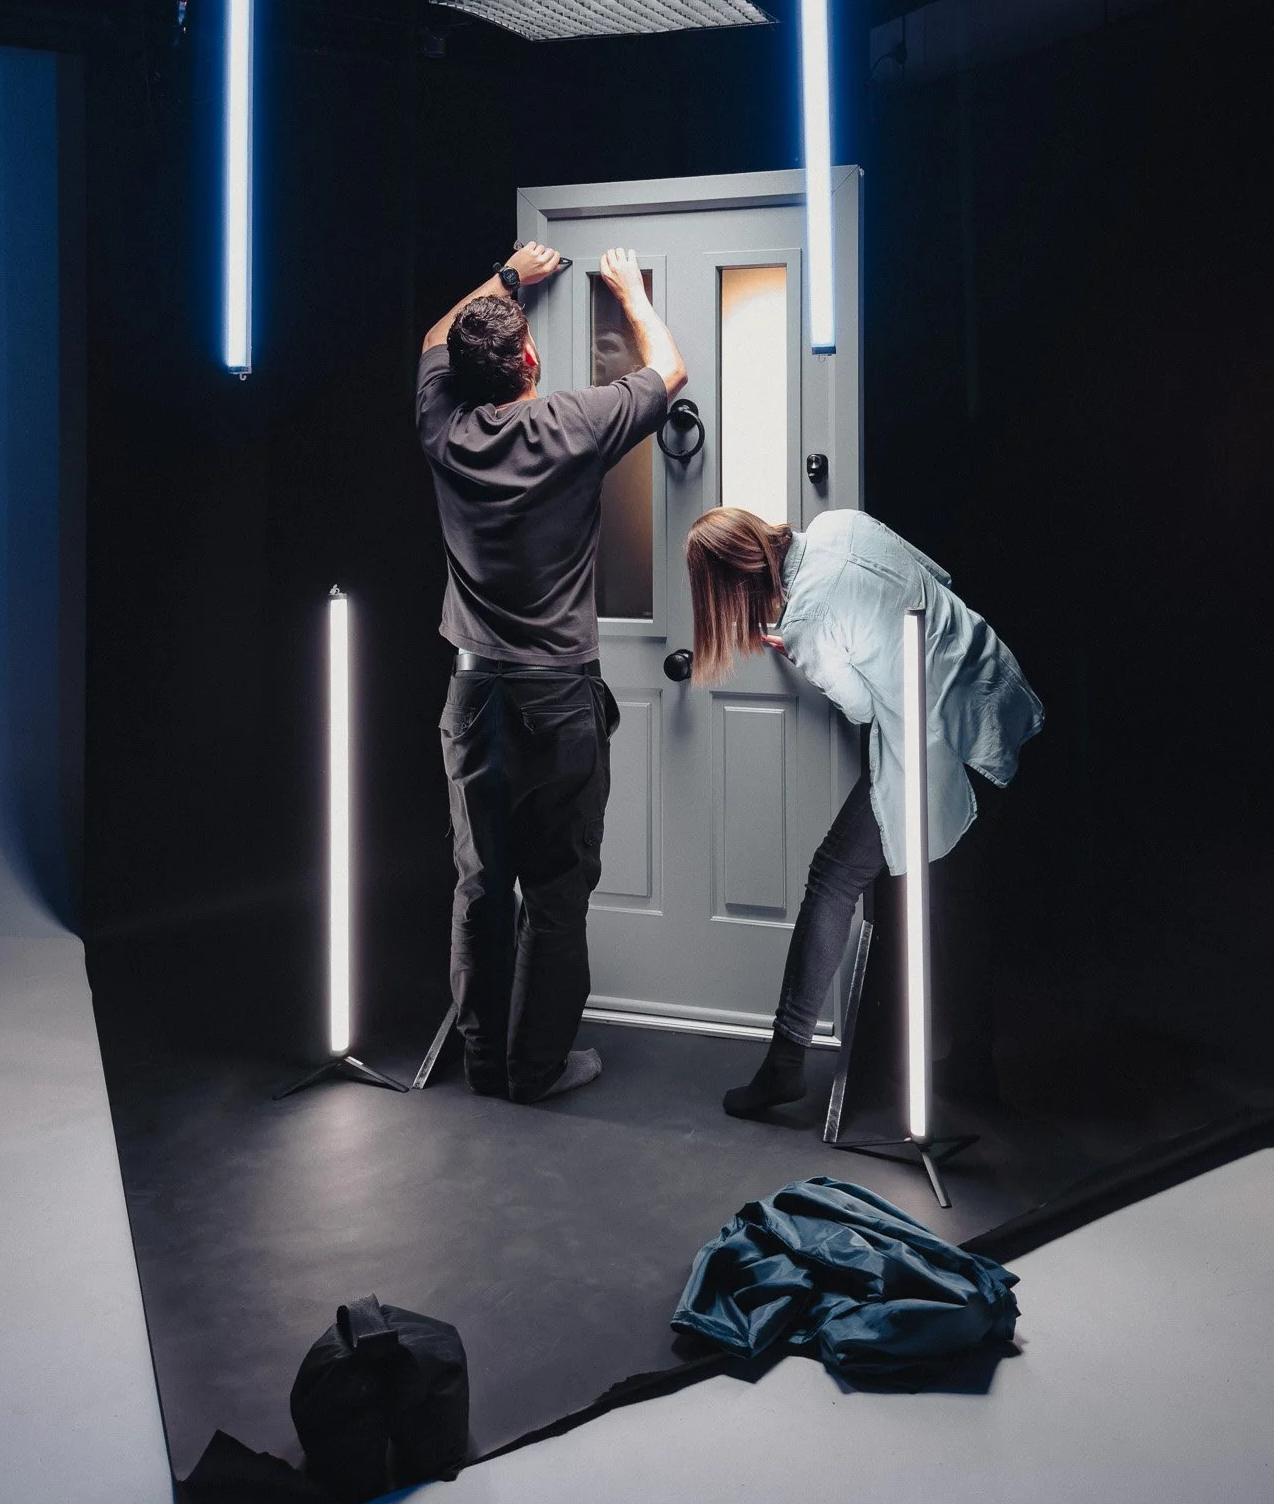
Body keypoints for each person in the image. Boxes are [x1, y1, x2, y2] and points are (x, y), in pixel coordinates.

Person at [417, 242, 687, 1103]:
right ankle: (537, 1067)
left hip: (473, 694)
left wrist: (502, 276)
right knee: (557, 891)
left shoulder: (444, 429)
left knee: (482, 885)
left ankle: (486, 1061)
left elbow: (433, 335)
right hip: (559, 700)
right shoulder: (571, 423)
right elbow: (671, 369)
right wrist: (629, 292)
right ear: (530, 360)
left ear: (462, 374)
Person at [685, 505, 1043, 1117]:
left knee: (834, 878)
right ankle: (974, 1066)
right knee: (957, 900)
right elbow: (938, 575)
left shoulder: (807, 620)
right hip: (990, 684)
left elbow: (858, 708)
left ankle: (784, 1063)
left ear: (733, 587)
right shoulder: (837, 523)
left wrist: (799, 651)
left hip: (940, 745)